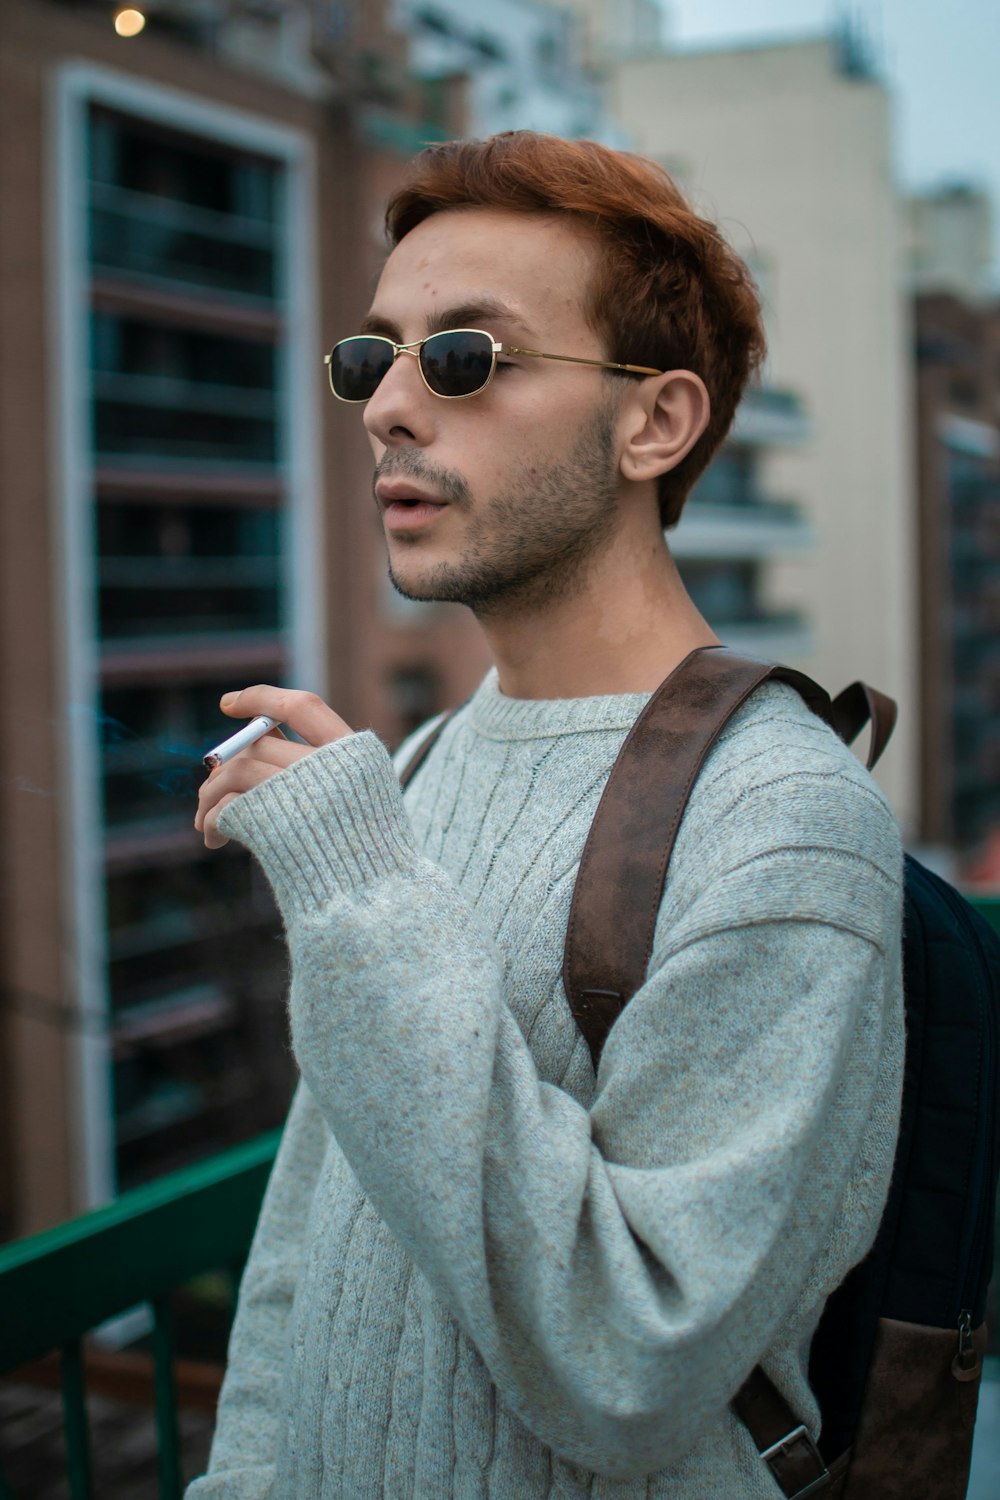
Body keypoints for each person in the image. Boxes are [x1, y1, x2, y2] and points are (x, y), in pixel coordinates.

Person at [188, 131, 903, 1498]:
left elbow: (632, 1363)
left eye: (465, 357)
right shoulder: (426, 764)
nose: (390, 405)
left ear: (657, 421)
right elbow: (313, 1241)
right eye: (371, 357)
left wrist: (356, 898)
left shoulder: (786, 817)